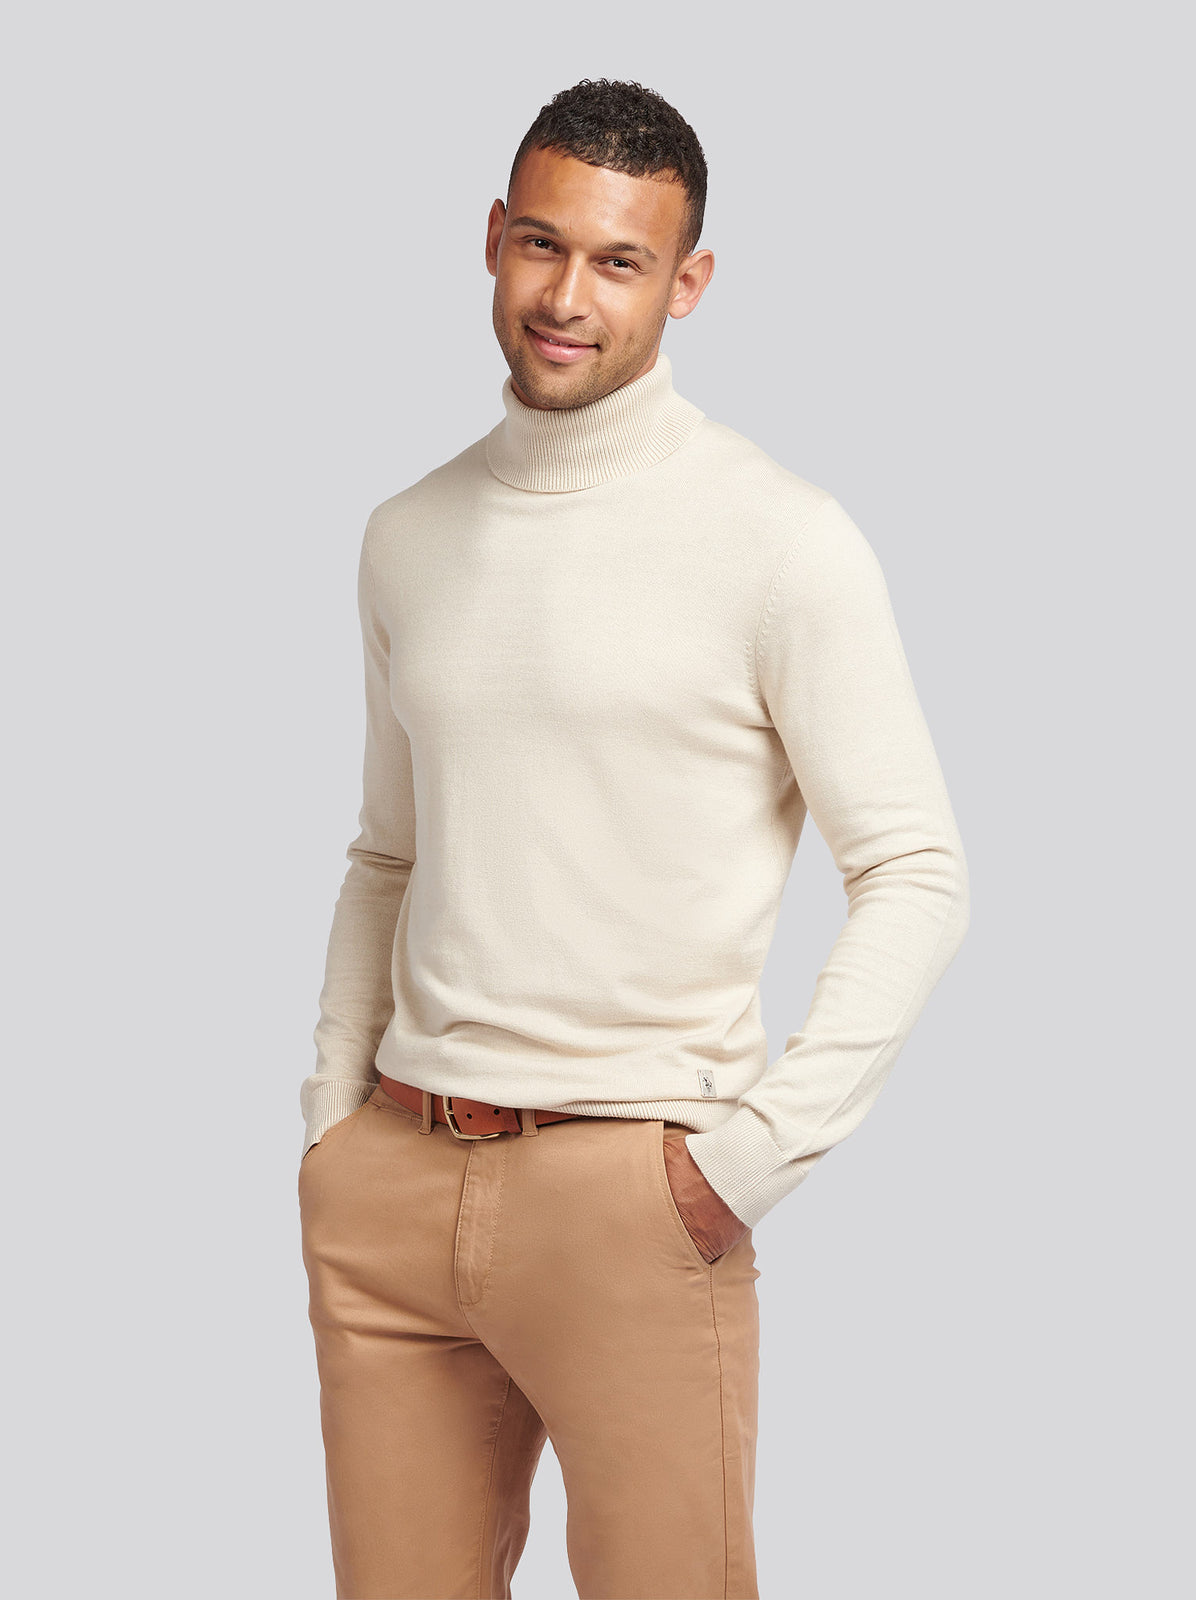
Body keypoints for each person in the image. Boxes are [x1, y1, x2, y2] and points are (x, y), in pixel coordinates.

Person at [297, 77, 969, 1600]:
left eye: (619, 261)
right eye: (543, 245)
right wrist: (334, 1115)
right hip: (394, 1176)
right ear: (492, 237)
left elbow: (915, 870)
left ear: (689, 282)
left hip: (636, 1197)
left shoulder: (780, 539)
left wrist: (742, 1165)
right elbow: (388, 852)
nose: (566, 297)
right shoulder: (408, 533)